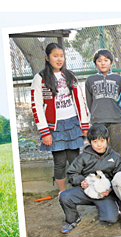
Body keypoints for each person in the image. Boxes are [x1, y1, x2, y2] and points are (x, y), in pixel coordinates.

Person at [31, 42, 89, 193]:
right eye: (55, 56)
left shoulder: (70, 76)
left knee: (76, 161)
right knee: (60, 162)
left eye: (61, 56)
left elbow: (80, 102)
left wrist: (84, 125)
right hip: (55, 127)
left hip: (72, 124)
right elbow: (36, 106)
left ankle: (79, 190)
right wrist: (44, 132)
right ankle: (62, 193)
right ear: (47, 57)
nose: (59, 59)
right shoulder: (40, 78)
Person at [58, 125, 121, 234]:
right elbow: (71, 173)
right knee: (65, 196)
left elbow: (119, 178)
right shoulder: (83, 157)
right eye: (95, 141)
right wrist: (81, 181)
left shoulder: (115, 158)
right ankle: (73, 219)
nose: (99, 144)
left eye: (102, 141)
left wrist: (110, 190)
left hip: (105, 194)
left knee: (110, 219)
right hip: (87, 191)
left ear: (108, 140)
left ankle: (107, 207)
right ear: (89, 142)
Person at [85, 49, 121, 157]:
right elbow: (89, 102)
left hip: (115, 120)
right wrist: (95, 114)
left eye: (106, 60)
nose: (103, 63)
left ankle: (118, 173)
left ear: (111, 63)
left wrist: (120, 115)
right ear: (95, 63)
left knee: (117, 152)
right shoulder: (90, 80)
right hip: (98, 121)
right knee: (100, 151)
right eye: (99, 60)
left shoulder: (118, 79)